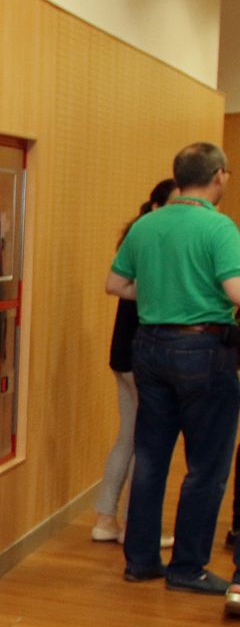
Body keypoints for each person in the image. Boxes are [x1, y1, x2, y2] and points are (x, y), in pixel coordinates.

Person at [107, 142, 240, 597]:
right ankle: (187, 567)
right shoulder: (219, 227)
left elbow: (115, 283)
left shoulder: (147, 224)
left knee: (151, 457)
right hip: (203, 350)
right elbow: (235, 291)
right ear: (219, 175)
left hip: (149, 348)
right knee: (206, 465)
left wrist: (158, 295)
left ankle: (140, 560)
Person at [92, 179, 176, 544]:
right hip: (139, 357)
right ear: (156, 207)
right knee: (147, 440)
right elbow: (119, 287)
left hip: (123, 355)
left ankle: (106, 519)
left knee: (128, 436)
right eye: (174, 204)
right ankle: (134, 526)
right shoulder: (152, 241)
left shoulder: (137, 238)